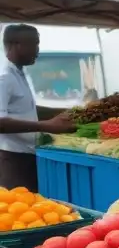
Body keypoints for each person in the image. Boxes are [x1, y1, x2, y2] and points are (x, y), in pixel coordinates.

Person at [0, 24, 76, 191]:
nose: (37, 50)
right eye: (33, 44)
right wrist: (46, 125)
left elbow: (26, 110)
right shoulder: (4, 77)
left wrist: (64, 113)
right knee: (18, 209)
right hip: (12, 159)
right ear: (15, 45)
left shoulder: (18, 73)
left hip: (27, 155)